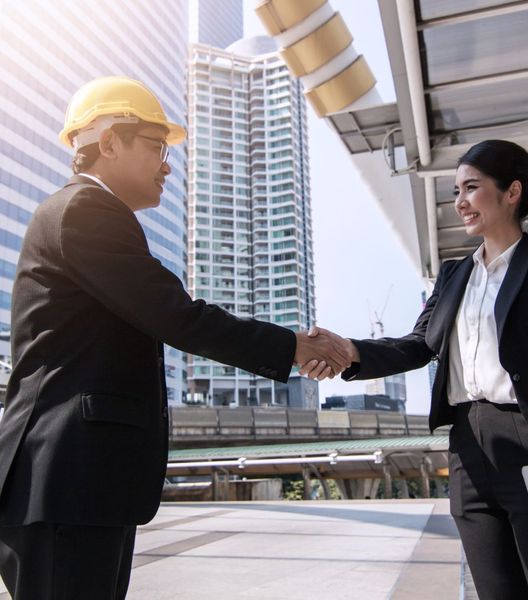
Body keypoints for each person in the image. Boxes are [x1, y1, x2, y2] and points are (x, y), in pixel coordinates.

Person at [0, 76, 351, 600]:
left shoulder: (94, 215)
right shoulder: (85, 212)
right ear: (109, 142)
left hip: (78, 484)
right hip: (65, 481)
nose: (167, 164)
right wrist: (294, 346)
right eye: (155, 146)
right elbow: (177, 316)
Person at [302, 139, 528, 599]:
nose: (459, 202)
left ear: (512, 191)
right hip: (468, 453)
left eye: (471, 188)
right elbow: (418, 344)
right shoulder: (454, 275)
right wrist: (350, 351)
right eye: (455, 190)